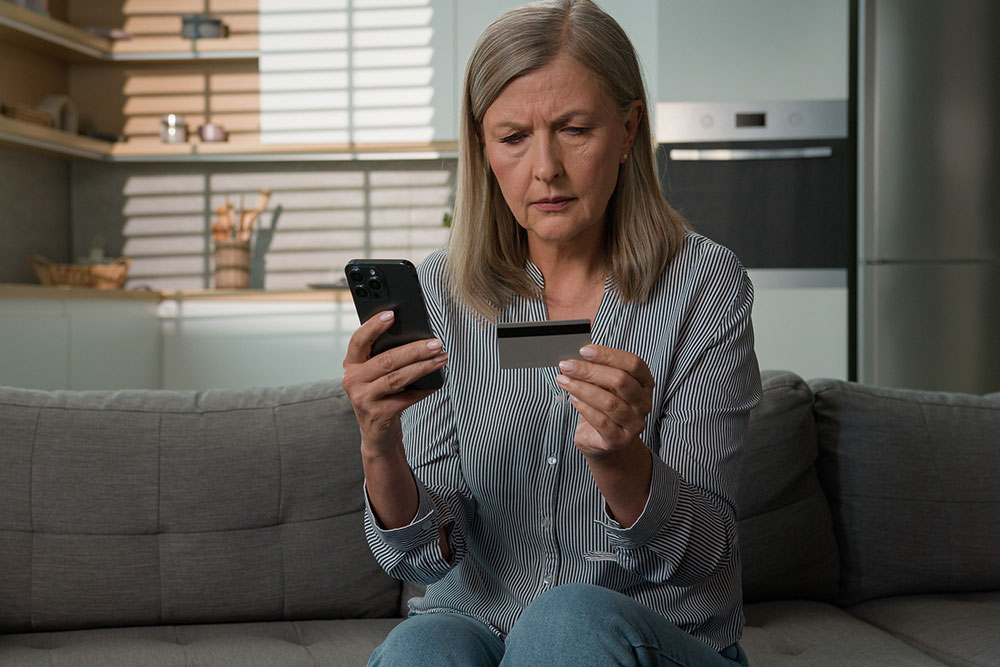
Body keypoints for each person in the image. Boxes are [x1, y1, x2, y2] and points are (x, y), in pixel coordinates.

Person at [341, 1, 761, 665]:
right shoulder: (443, 295)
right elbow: (423, 556)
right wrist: (379, 443)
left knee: (566, 622)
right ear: (482, 147)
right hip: (484, 626)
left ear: (628, 130)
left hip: (651, 637)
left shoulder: (704, 285)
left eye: (573, 129)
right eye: (513, 138)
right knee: (423, 645)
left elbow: (707, 552)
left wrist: (622, 458)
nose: (546, 169)